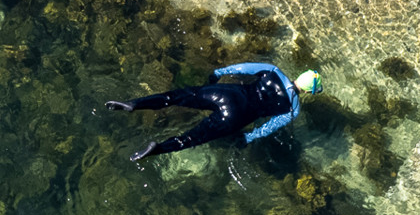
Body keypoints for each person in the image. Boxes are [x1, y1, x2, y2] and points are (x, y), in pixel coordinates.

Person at [107, 63, 323, 162]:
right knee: (191, 139)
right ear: (309, 91)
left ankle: (133, 104)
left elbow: (241, 69)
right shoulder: (293, 109)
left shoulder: (273, 70)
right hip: (236, 116)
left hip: (227, 93)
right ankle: (158, 148)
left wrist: (218, 73)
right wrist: (247, 137)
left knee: (174, 97)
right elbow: (267, 128)